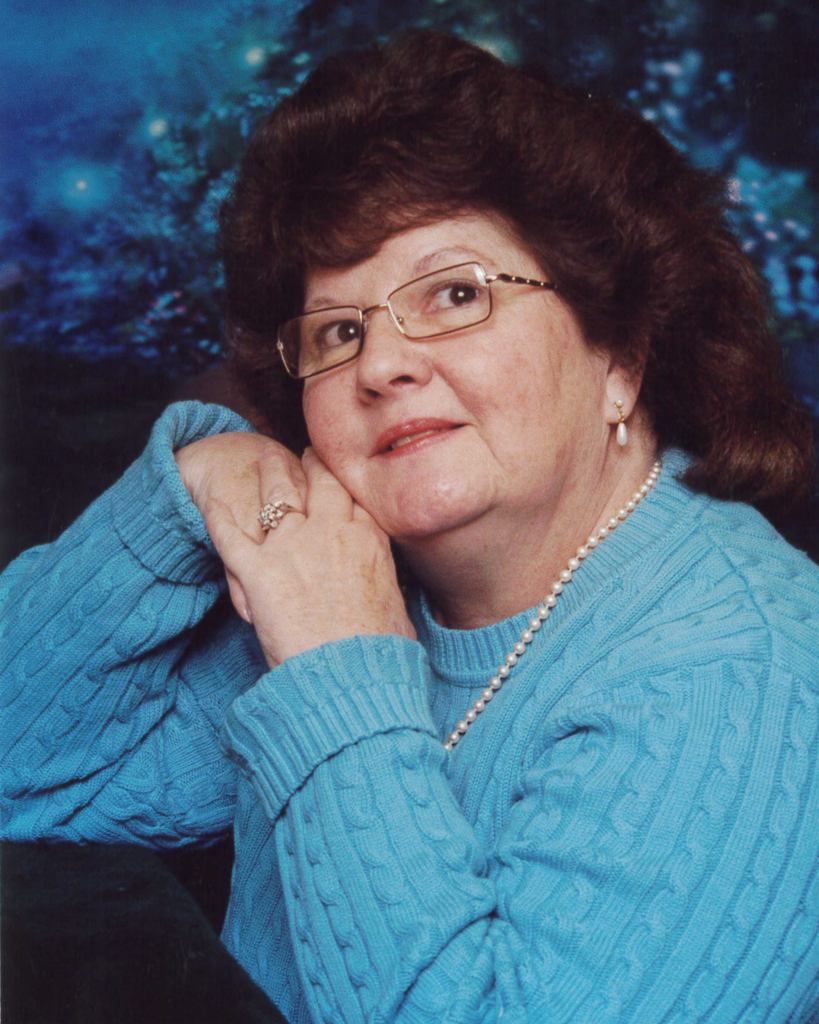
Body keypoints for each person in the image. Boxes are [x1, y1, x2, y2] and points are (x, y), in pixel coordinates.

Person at [3, 28, 819, 1024]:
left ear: (620, 353)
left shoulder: (739, 676)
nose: (380, 365)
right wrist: (193, 485)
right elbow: (19, 774)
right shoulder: (344, 574)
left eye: (456, 293)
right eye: (338, 330)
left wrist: (336, 663)